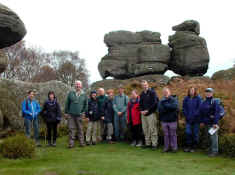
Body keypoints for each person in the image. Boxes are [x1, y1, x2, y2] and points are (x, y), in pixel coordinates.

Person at [65, 80, 88, 148]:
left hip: (80, 115)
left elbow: (86, 105)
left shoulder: (84, 94)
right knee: (71, 129)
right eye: (76, 84)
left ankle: (81, 143)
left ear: (81, 86)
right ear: (75, 86)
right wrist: (66, 112)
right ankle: (71, 144)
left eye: (79, 84)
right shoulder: (71, 93)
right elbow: (67, 103)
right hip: (71, 114)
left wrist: (83, 112)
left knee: (80, 129)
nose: (78, 86)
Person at [199, 88, 221, 157]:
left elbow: (217, 113)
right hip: (206, 123)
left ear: (212, 93)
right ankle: (209, 150)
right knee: (208, 137)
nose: (208, 93)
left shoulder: (214, 101)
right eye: (207, 92)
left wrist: (215, 123)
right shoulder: (203, 102)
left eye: (209, 92)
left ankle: (215, 151)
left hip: (213, 123)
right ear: (205, 93)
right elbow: (201, 113)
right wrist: (202, 121)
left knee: (213, 137)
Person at [139, 80, 159, 150]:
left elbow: (155, 103)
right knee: (145, 129)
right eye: (143, 85)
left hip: (151, 113)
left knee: (152, 129)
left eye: (145, 85)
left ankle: (154, 144)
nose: (144, 86)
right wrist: (141, 111)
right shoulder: (141, 94)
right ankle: (148, 143)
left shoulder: (152, 92)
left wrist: (148, 110)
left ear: (147, 85)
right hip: (143, 114)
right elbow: (140, 104)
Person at [158, 87, 179, 153]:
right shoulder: (161, 101)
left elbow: (174, 107)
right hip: (164, 120)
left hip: (172, 120)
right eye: (164, 92)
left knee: (173, 134)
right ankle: (166, 147)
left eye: (166, 92)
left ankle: (174, 148)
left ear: (169, 92)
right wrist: (168, 108)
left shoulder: (174, 99)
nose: (165, 93)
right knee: (166, 135)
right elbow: (160, 109)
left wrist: (166, 106)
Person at [183, 87, 202, 152]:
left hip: (196, 120)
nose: (191, 91)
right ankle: (188, 146)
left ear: (195, 91)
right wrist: (186, 115)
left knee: (195, 134)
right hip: (188, 119)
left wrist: (194, 115)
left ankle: (194, 147)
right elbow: (184, 108)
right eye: (190, 90)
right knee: (188, 133)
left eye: (192, 90)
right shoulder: (186, 98)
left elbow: (199, 108)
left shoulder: (198, 98)